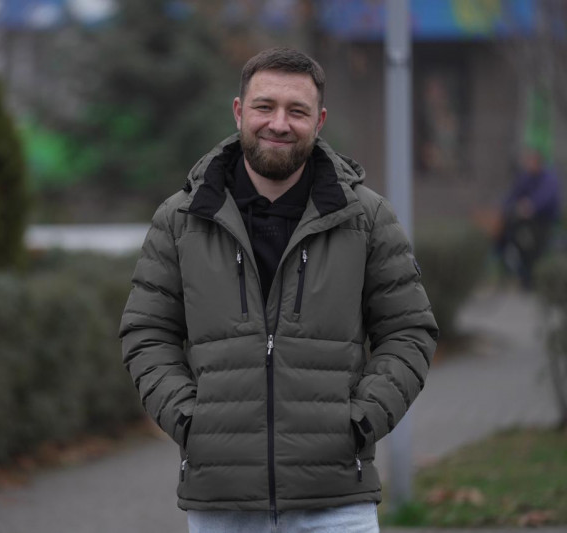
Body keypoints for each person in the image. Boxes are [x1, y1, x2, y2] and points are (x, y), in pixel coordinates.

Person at [119, 48, 438, 533]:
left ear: (319, 120)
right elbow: (146, 333)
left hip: (336, 504)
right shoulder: (181, 219)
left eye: (297, 111)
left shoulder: (366, 218)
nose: (279, 123)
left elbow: (409, 331)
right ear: (239, 111)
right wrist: (190, 421)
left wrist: (359, 422)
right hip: (221, 503)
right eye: (265, 106)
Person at [496, 148, 561, 289]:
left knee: (536, 249)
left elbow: (545, 196)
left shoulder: (548, 178)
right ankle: (521, 276)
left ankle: (533, 280)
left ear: (538, 162)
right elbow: (513, 194)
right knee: (511, 238)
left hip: (543, 221)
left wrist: (531, 206)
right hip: (527, 221)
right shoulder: (526, 177)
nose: (527, 164)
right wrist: (503, 207)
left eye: (530, 161)